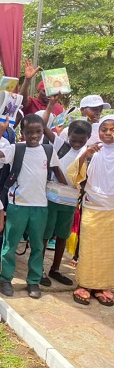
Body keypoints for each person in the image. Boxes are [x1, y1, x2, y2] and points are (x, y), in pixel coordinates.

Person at [0, 114, 67, 299]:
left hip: (40, 206)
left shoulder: (48, 150)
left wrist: (69, 193)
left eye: (38, 132)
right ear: (22, 132)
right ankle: (6, 279)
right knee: (10, 244)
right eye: (29, 132)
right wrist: (1, 130)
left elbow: (57, 172)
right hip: (18, 205)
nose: (34, 136)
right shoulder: (16, 148)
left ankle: (33, 281)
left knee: (38, 246)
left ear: (42, 132)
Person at [40, 101, 92, 287]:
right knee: (45, 234)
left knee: (63, 234)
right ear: (67, 135)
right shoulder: (61, 144)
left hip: (70, 200)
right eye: (74, 139)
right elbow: (43, 127)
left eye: (81, 140)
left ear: (88, 138)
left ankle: (55, 269)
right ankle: (39, 269)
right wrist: (50, 106)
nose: (77, 143)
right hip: (52, 196)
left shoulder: (89, 153)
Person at [67, 115, 114, 306]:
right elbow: (73, 175)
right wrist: (86, 155)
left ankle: (103, 286)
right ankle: (85, 285)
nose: (108, 133)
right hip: (93, 205)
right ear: (98, 131)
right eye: (104, 129)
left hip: (112, 209)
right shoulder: (92, 151)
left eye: (113, 129)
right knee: (89, 247)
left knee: (109, 249)